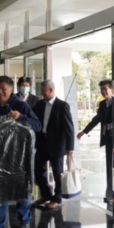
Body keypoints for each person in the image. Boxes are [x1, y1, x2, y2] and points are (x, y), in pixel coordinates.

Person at [0, 75, 42, 228]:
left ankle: (25, 219)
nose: (0, 92)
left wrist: (21, 117)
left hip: (20, 158)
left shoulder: (20, 105)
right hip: (0, 157)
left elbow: (38, 125)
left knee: (22, 191)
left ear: (11, 89)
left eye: (3, 89)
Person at [32, 80, 75, 209]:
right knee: (36, 166)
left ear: (50, 90)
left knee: (57, 172)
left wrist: (70, 147)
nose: (42, 94)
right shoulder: (40, 104)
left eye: (43, 91)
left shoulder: (62, 106)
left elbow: (69, 127)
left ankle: (57, 197)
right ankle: (46, 193)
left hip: (57, 144)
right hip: (42, 142)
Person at [77, 79, 114, 206]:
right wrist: (84, 131)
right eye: (102, 90)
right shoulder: (102, 104)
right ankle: (110, 193)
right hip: (108, 139)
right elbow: (96, 119)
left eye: (105, 89)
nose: (103, 92)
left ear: (111, 89)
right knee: (110, 167)